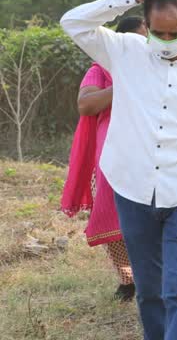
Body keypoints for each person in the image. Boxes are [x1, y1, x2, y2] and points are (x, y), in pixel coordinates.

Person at [61, 0, 177, 340]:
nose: (166, 42)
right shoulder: (125, 52)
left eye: (175, 33)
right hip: (133, 191)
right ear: (146, 27)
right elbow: (72, 22)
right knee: (151, 292)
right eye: (158, 33)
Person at [61, 16, 147, 302]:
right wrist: (127, 82)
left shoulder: (161, 68)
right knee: (112, 216)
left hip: (149, 153)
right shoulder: (101, 71)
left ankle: (152, 274)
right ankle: (127, 278)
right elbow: (86, 105)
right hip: (111, 156)